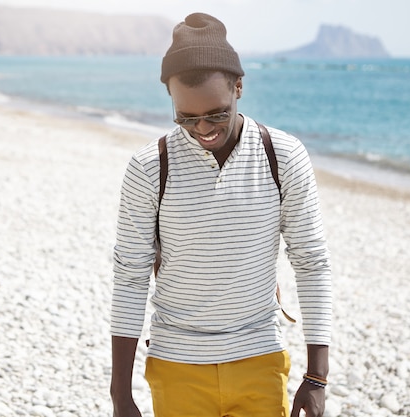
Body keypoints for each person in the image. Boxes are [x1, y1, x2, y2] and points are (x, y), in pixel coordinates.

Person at [110, 12, 332, 417]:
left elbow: (312, 262)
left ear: (239, 86)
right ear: (171, 99)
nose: (202, 129)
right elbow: (130, 275)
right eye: (186, 118)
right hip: (176, 365)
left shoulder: (282, 156)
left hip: (260, 359)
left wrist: (317, 376)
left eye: (216, 113)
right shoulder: (148, 168)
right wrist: (120, 395)